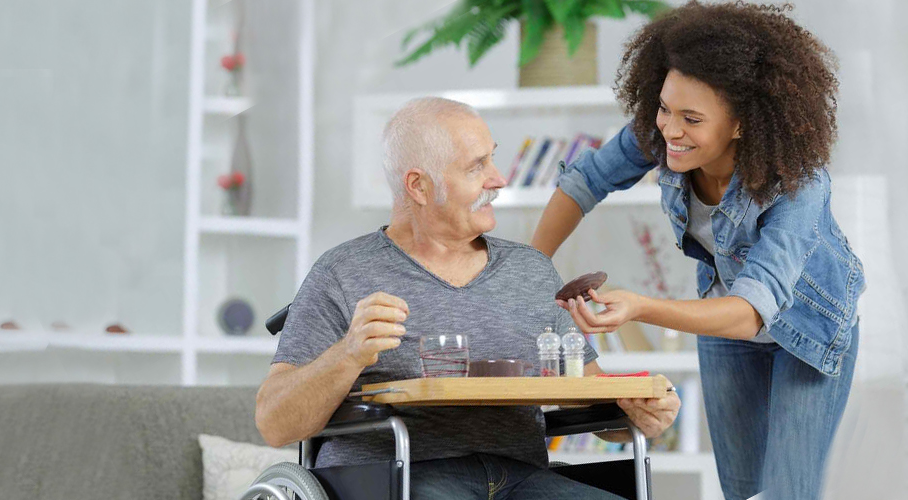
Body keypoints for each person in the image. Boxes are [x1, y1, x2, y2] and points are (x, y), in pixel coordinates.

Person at [253, 97, 681, 499]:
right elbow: (274, 423)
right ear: (419, 187)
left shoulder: (530, 271)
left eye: (492, 158)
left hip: (522, 475)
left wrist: (635, 417)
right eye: (478, 166)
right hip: (400, 474)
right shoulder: (343, 273)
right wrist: (347, 354)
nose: (499, 179)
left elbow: (589, 398)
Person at [530, 3, 863, 499]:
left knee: (787, 493)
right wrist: (527, 268)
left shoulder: (800, 186)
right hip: (722, 325)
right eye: (665, 107)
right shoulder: (662, 132)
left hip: (806, 332)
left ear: (741, 124)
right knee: (742, 492)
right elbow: (585, 181)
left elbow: (752, 312)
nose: (670, 129)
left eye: (691, 118)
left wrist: (639, 307)